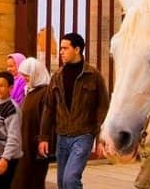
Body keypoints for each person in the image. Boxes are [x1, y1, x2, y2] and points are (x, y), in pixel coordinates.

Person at [38, 33, 109, 189]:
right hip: (62, 137)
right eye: (61, 48)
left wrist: (100, 138)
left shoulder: (93, 75)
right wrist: (43, 137)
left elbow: (103, 107)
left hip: (83, 135)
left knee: (70, 180)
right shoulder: (57, 76)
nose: (61, 51)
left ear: (77, 49)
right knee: (62, 183)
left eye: (65, 48)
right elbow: (49, 108)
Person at [12, 57, 51, 189]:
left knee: (33, 179)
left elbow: (47, 118)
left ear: (36, 73)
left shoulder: (45, 92)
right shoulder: (30, 91)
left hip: (34, 144)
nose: (24, 78)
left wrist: (42, 139)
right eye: (23, 75)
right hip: (24, 143)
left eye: (27, 75)